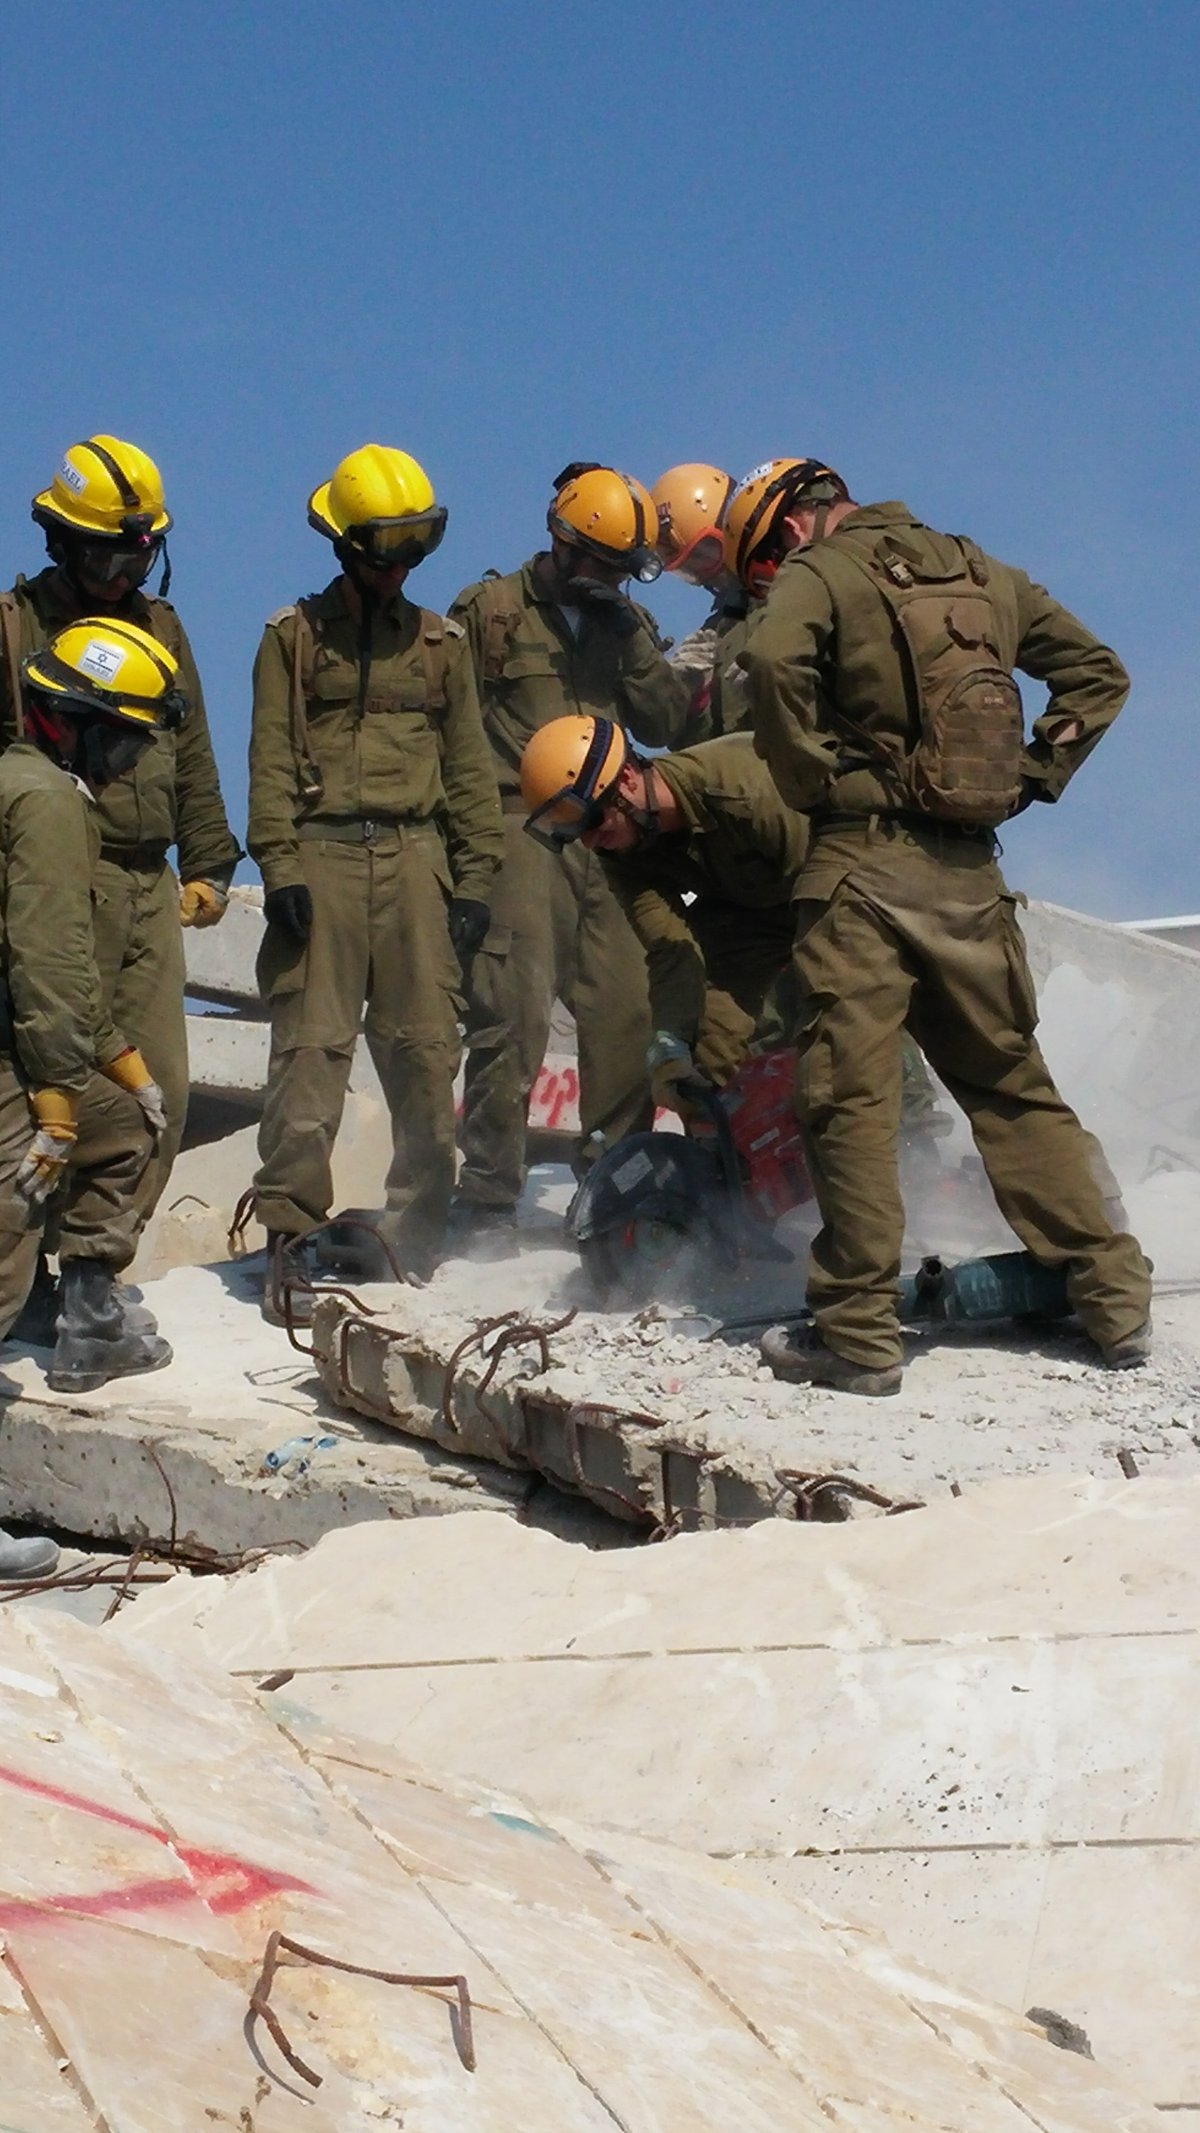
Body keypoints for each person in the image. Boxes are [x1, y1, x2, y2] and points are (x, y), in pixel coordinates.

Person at [732, 457, 1153, 1394]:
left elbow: (768, 661)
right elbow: (1098, 673)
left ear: (788, 527)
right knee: (1011, 1086)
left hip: (862, 870)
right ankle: (1115, 1299)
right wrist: (1036, 776)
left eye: (760, 563)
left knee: (851, 1100)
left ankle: (856, 1333)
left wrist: (810, 779)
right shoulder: (982, 571)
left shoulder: (823, 573)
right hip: (972, 875)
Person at [245, 444, 502, 1316]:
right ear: (347, 548)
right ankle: (286, 1238)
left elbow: (470, 770)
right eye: (385, 553)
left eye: (412, 553)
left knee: (429, 1056)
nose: (399, 572)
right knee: (310, 1059)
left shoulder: (442, 647)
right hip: (319, 856)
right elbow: (269, 763)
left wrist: (475, 882)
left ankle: (415, 1236)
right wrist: (279, 863)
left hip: (416, 860)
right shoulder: (290, 639)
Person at [0, 436, 241, 1261]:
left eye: (140, 557)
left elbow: (193, 751)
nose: (125, 576)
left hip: (149, 887)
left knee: (157, 1092)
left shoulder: (161, 628)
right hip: (60, 881)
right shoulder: (15, 627)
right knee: (60, 1087)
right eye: (109, 555)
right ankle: (30, 1281)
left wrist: (209, 860)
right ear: (60, 540)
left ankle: (97, 1271)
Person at [448, 463, 693, 1232]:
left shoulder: (630, 629)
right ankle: (488, 1192)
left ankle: (616, 1191)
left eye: (624, 572)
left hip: (612, 836)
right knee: (511, 1013)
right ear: (562, 541)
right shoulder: (489, 612)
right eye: (602, 565)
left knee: (625, 1014)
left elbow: (670, 723)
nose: (612, 581)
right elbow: (447, 730)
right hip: (520, 828)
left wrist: (630, 639)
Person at [519, 716, 946, 1143]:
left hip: (842, 891)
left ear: (627, 778)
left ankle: (914, 1134)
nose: (590, 843)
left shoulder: (745, 791)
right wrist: (671, 1044)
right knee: (707, 1056)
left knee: (846, 1018)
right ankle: (729, 1176)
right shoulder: (623, 853)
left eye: (591, 821)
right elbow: (672, 950)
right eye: (575, 834)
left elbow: (844, 905)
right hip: (747, 922)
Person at [0, 615, 181, 1586]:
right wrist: (60, 1102)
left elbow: (56, 966)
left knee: (135, 1123)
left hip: (27, 1037)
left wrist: (117, 1060)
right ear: (73, 723)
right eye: (121, 737)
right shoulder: (49, 805)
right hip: (12, 1058)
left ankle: (83, 1314)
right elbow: (44, 960)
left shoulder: (19, 783)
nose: (127, 760)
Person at [651, 463, 750, 737]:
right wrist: (693, 695)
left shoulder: (801, 577)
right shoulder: (723, 624)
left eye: (707, 553)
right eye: (691, 570)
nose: (710, 575)